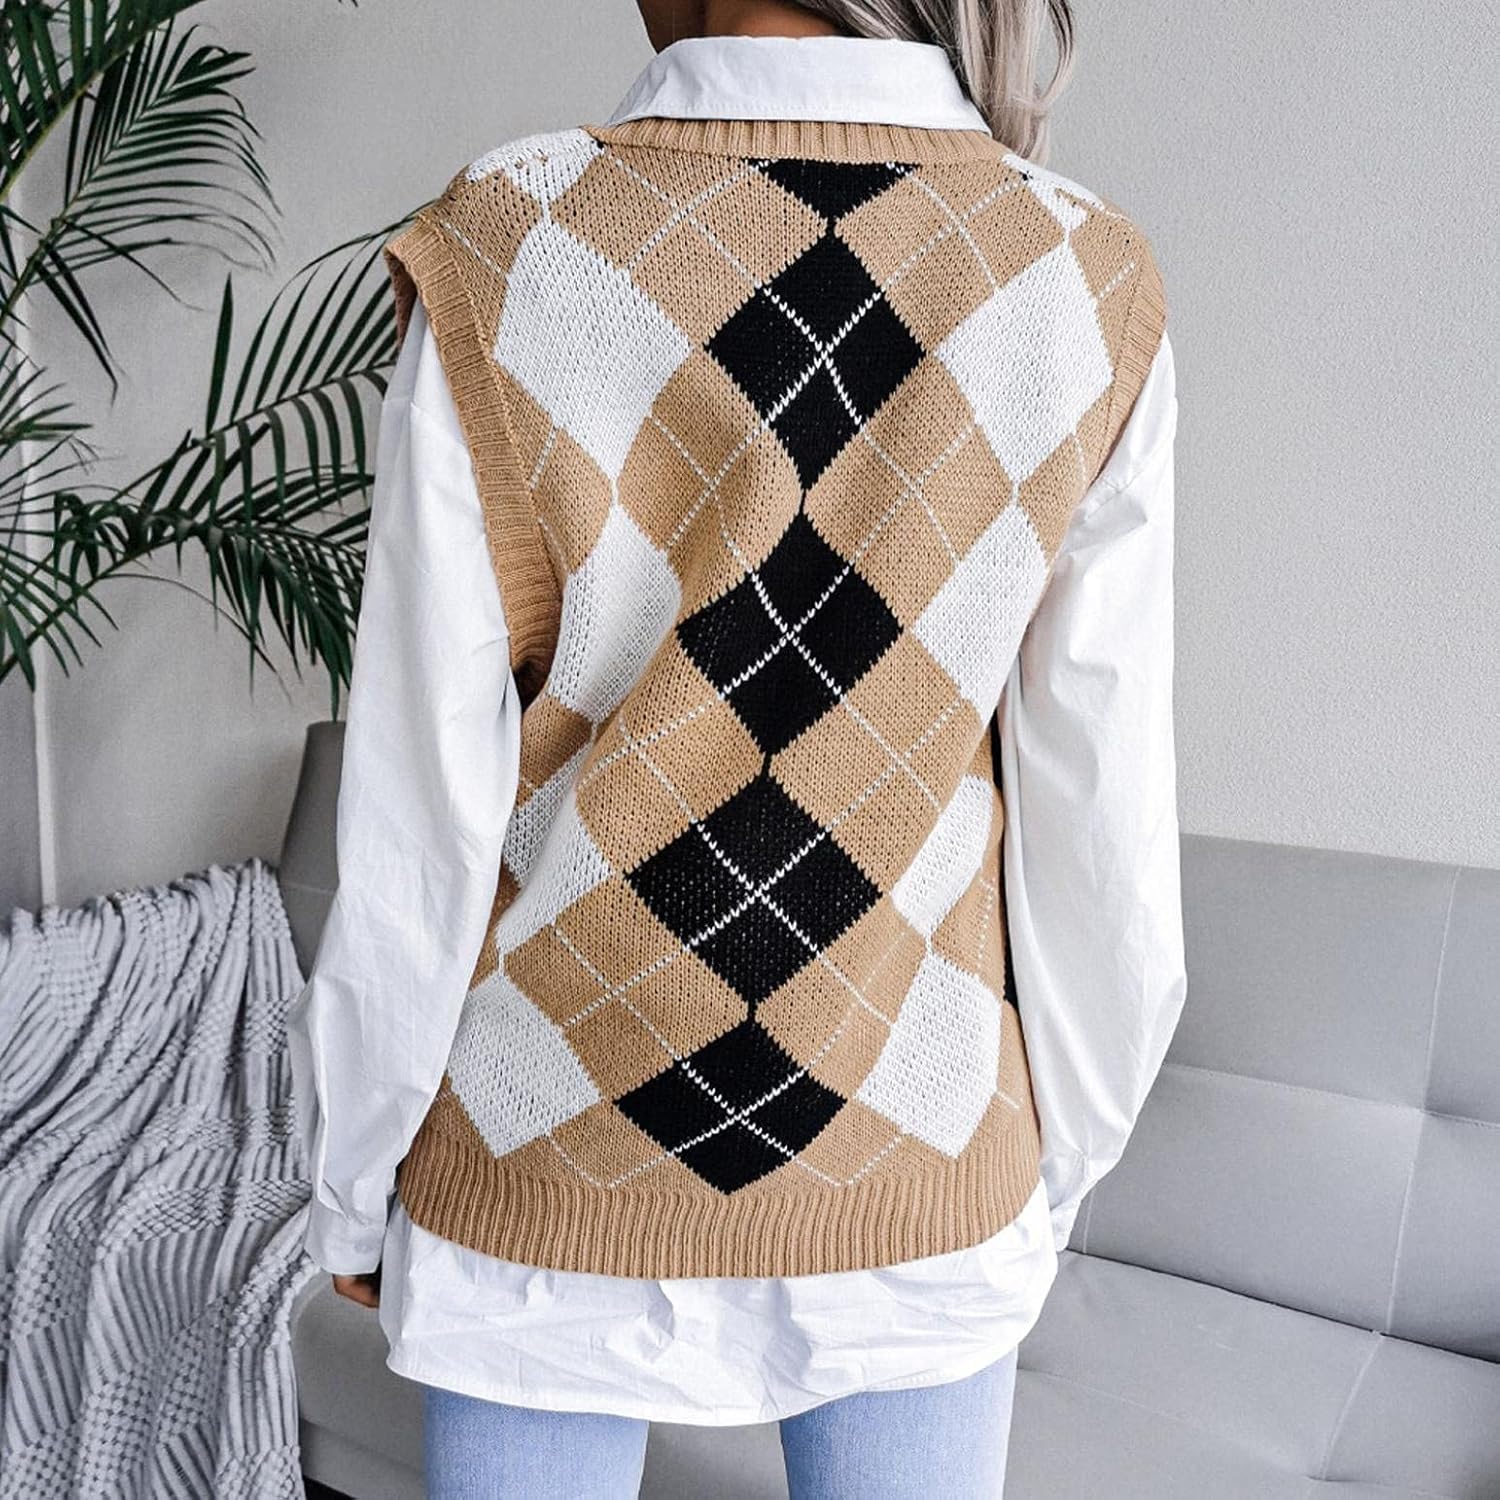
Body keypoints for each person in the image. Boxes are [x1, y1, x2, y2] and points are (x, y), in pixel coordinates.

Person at [286, 1, 1187, 1495]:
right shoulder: (1081, 273)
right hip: (923, 1161)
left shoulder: (511, 241)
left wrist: (355, 1173)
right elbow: (1101, 828)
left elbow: (418, 812)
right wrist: (1050, 1162)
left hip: (541, 1155)